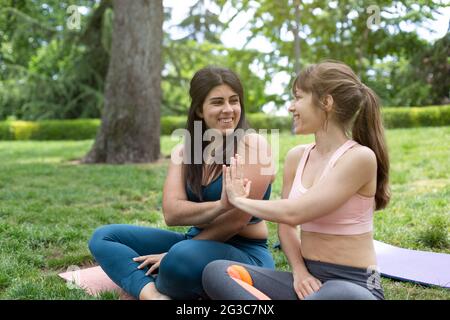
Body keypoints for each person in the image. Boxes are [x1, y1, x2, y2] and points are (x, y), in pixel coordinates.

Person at [202, 60, 390, 300]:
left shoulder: (359, 158)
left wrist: (238, 200)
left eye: (298, 97)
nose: (291, 107)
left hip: (354, 286)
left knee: (335, 294)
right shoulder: (296, 156)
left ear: (326, 102)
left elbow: (294, 213)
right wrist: (300, 271)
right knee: (217, 272)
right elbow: (287, 226)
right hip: (308, 282)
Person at [88, 66, 276, 300]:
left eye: (234, 101)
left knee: (180, 258)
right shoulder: (185, 151)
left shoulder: (253, 146)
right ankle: (153, 295)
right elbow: (173, 212)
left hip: (245, 253)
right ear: (199, 109)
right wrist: (220, 206)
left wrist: (170, 254)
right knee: (104, 237)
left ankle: (149, 282)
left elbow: (236, 221)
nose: (228, 110)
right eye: (217, 102)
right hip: (193, 242)